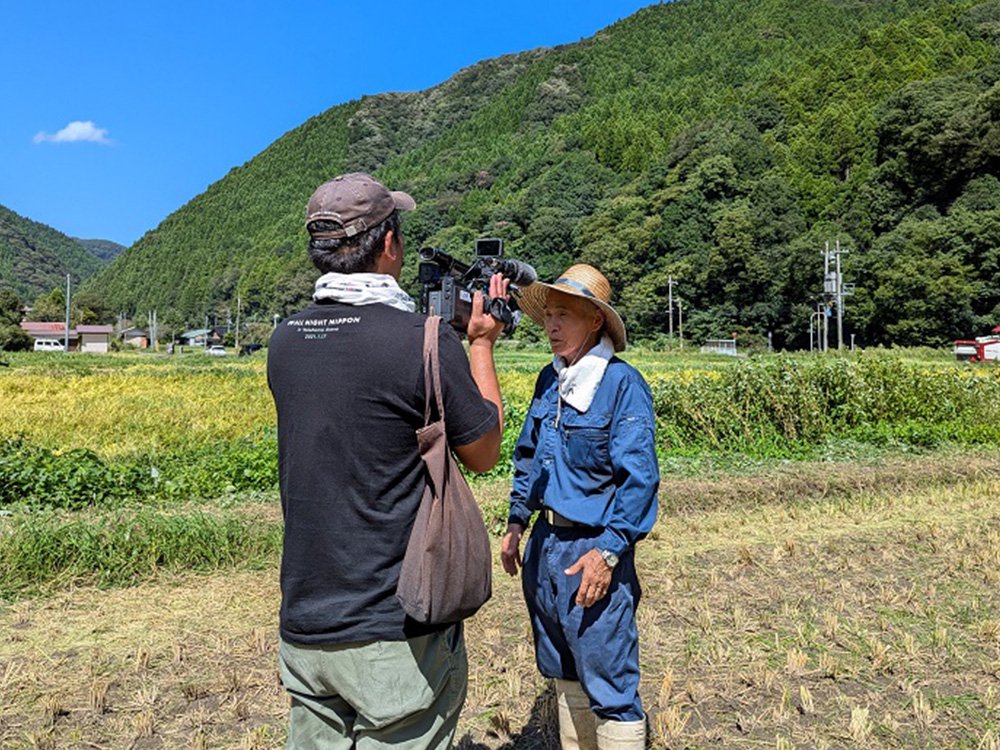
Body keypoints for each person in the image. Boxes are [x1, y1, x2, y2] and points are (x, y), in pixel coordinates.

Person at [267, 172, 509, 750]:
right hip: (393, 627)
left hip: (306, 622)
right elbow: (483, 450)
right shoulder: (420, 341)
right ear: (389, 244)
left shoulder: (285, 340)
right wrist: (478, 344)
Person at [500, 264, 659, 750]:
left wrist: (609, 552)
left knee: (609, 682)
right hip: (546, 545)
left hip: (592, 546)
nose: (551, 326)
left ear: (595, 321)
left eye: (563, 315)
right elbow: (529, 456)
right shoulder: (551, 381)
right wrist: (516, 521)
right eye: (547, 315)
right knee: (563, 671)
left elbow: (641, 479)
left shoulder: (621, 385)